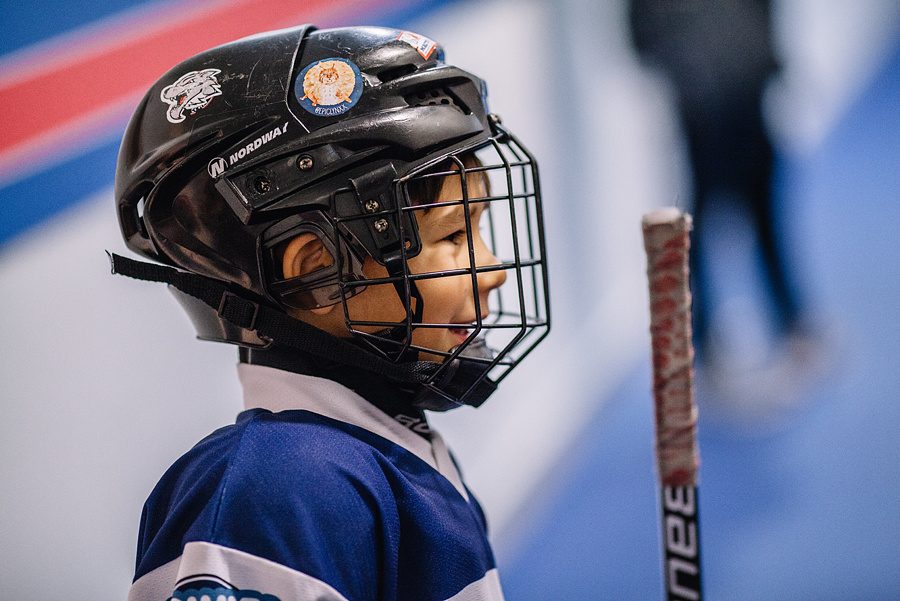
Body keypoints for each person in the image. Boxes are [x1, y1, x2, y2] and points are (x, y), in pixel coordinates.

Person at [111, 25, 550, 601]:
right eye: (455, 235)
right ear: (317, 270)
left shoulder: (380, 446)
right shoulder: (277, 490)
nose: (492, 270)